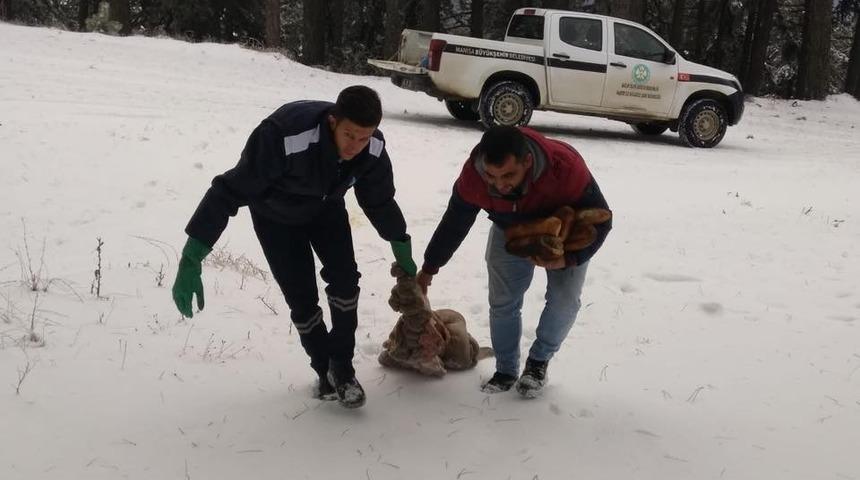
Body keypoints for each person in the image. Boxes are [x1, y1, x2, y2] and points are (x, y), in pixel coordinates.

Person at [171, 85, 417, 409]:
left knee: (345, 282)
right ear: (332, 122)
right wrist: (193, 256)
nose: (356, 146)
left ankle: (342, 368)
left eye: (364, 137)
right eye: (350, 135)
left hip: (326, 208)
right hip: (275, 217)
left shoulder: (371, 147)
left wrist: (400, 242)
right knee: (302, 297)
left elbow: (379, 199)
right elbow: (228, 192)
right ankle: (323, 370)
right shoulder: (284, 136)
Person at [416, 126, 611, 398]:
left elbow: (603, 219)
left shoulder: (565, 167)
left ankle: (538, 363)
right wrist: (429, 268)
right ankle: (506, 369)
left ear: (527, 162)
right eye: (492, 176)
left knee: (565, 299)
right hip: (510, 229)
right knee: (502, 301)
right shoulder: (475, 176)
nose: (500, 185)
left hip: (564, 235)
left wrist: (569, 258)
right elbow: (454, 223)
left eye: (509, 175)